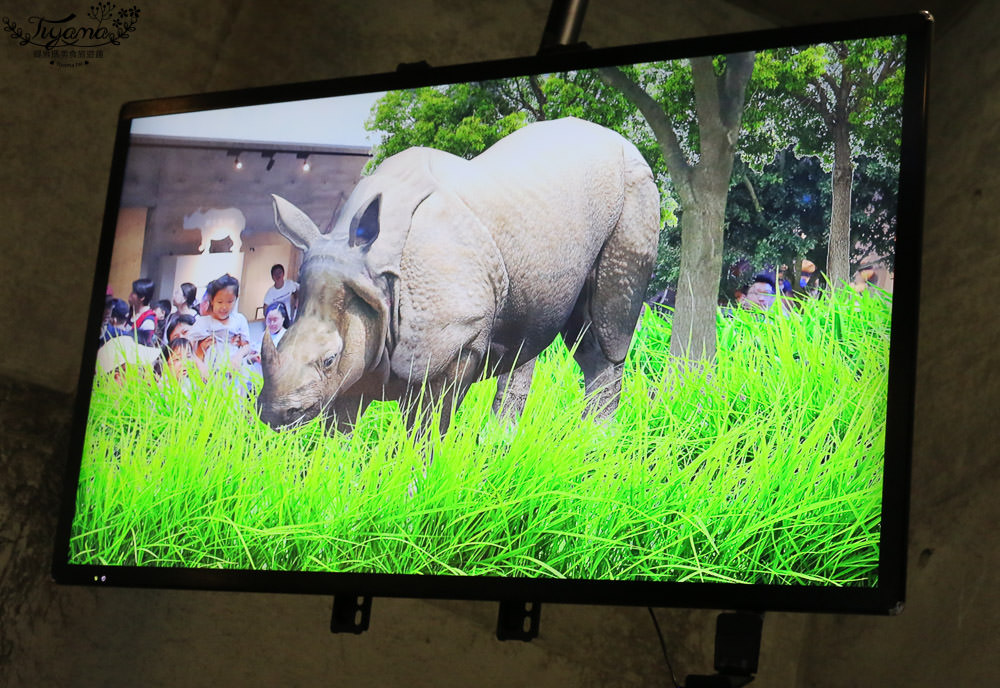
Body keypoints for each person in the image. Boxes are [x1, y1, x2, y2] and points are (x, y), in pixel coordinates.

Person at [187, 274, 257, 372]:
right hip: (208, 371)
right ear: (212, 301)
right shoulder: (203, 322)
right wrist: (199, 364)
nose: (224, 307)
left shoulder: (239, 320)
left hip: (233, 370)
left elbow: (246, 345)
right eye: (220, 302)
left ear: (236, 299)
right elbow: (187, 346)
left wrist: (238, 356)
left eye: (229, 302)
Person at [129, 278, 158, 346]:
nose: (130, 294)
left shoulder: (149, 321)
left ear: (142, 298)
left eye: (133, 292)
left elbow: (142, 346)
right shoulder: (132, 311)